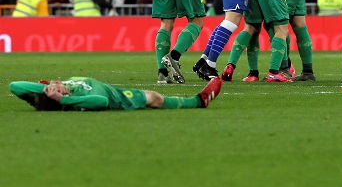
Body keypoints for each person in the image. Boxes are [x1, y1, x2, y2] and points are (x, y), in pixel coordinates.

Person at [9, 76, 222, 111]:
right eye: (52, 91)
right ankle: (198, 102)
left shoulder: (61, 87)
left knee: (151, 95)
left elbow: (14, 86)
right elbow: (100, 101)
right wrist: (63, 98)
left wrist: (44, 89)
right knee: (153, 98)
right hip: (116, 97)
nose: (55, 85)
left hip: (110, 87)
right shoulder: (74, 98)